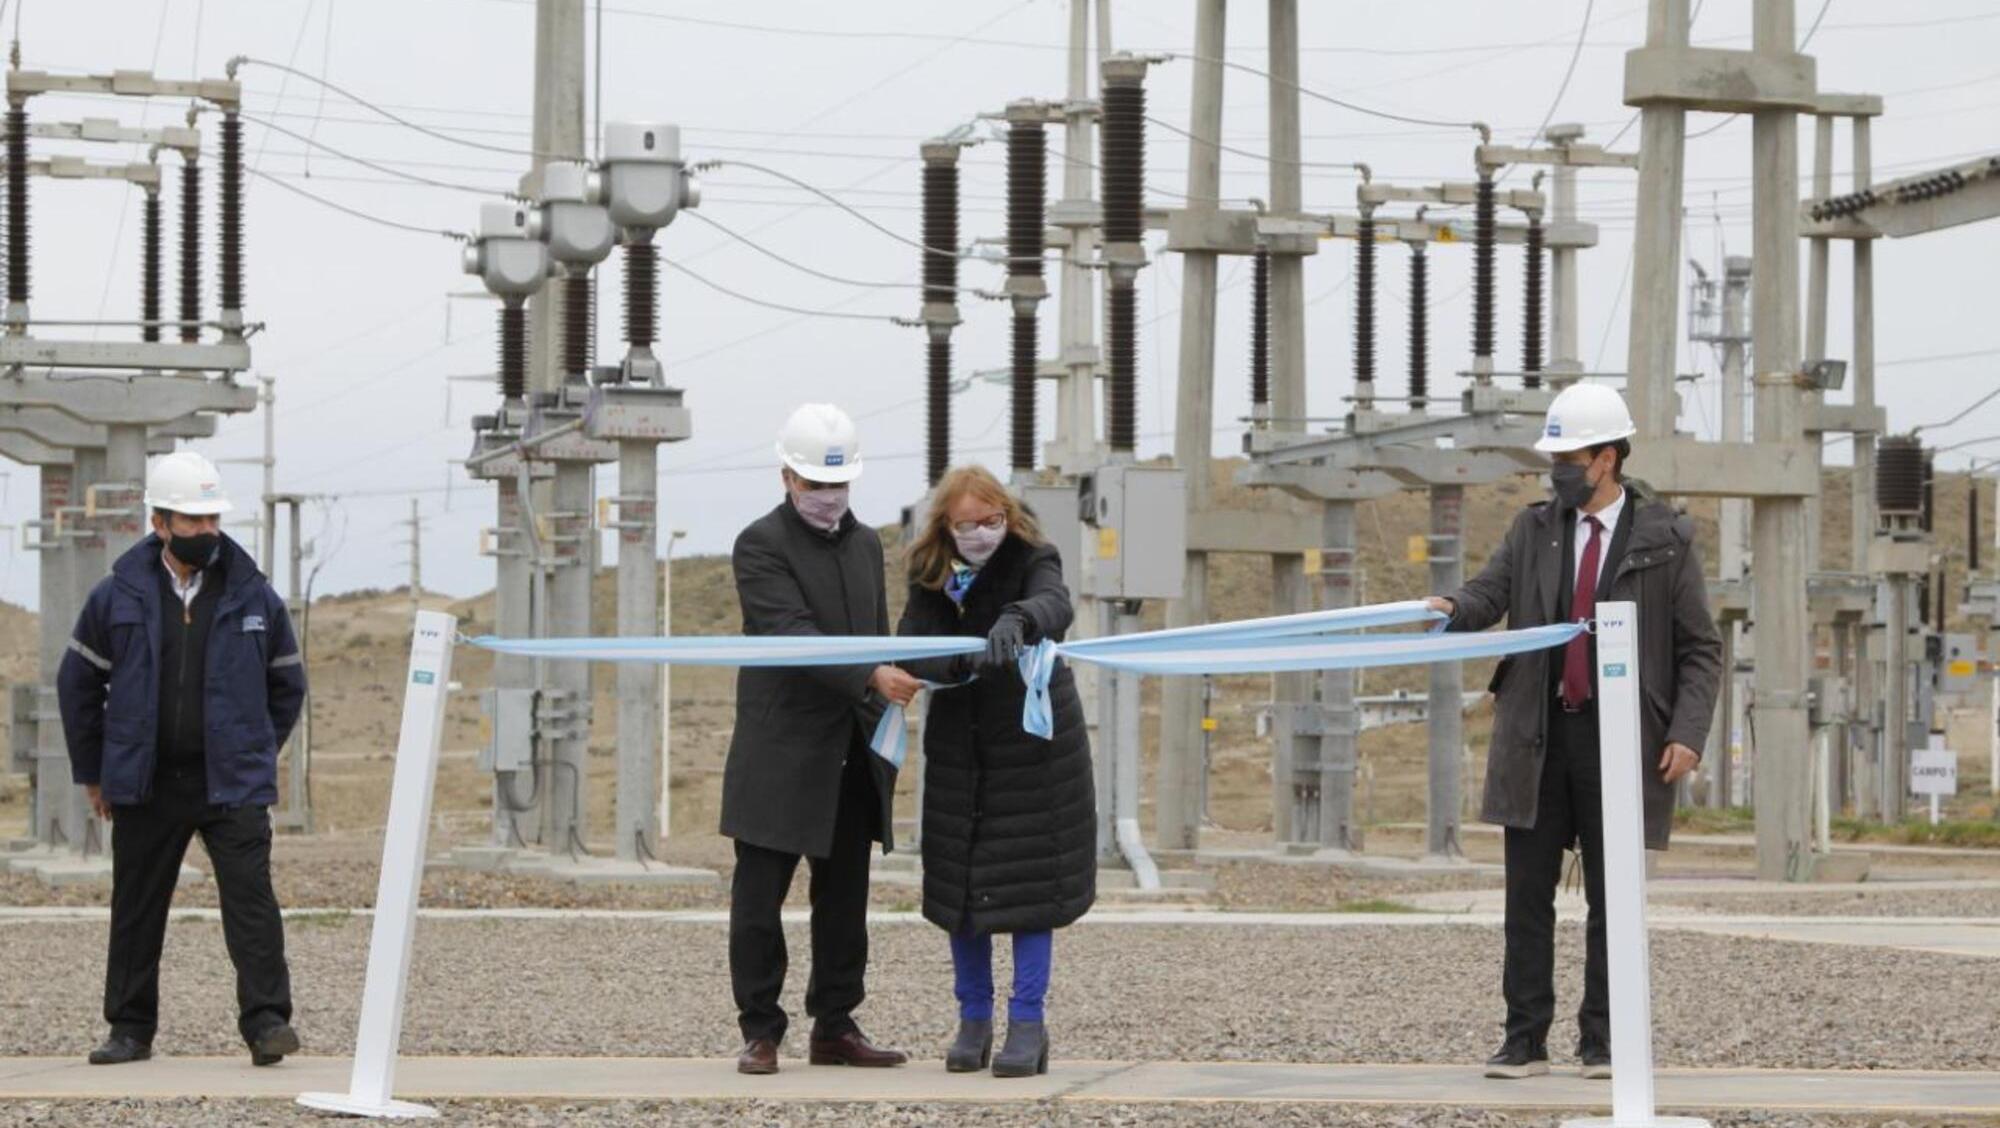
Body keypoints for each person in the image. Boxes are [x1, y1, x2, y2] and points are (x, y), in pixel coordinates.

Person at [1427, 382, 1720, 1082]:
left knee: (1612, 898)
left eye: (1570, 455)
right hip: (1537, 733)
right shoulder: (1534, 529)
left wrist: (1687, 731)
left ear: (1608, 458)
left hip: (1621, 739)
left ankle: (1603, 1041)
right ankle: (1523, 1037)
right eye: (1552, 456)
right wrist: (1451, 607)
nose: (1557, 468)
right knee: (1526, 894)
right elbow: (1490, 593)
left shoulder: (1664, 539)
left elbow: (1700, 648)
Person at [56, 451, 307, 1068]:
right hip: (146, 782)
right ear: (160, 523)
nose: (207, 532)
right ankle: (130, 1030)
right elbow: (77, 685)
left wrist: (252, 750)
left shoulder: (255, 595)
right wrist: (94, 771)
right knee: (137, 906)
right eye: (192, 522)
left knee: (251, 902)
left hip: (232, 784)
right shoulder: (115, 596)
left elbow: (288, 683)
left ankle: (268, 1024)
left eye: (212, 519)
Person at [721, 403, 920, 1075]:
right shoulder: (759, 544)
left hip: (851, 752)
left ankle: (835, 1025)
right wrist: (870, 675)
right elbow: (789, 635)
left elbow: (876, 630)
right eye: (814, 485)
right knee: (758, 903)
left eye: (837, 486)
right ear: (787, 478)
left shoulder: (866, 546)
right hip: (780, 753)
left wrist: (897, 679)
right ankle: (760, 1029)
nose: (827, 498)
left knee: (844, 904)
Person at [895, 465, 1095, 1078]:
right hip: (961, 748)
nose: (982, 532)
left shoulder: (1034, 555)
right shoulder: (930, 574)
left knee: (1031, 890)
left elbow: (1055, 603)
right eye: (968, 524)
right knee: (962, 887)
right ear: (944, 526)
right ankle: (973, 1019)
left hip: (1034, 748)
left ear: (1007, 516)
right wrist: (959, 665)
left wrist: (1018, 619)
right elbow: (912, 642)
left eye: (992, 521)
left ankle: (1028, 1023)